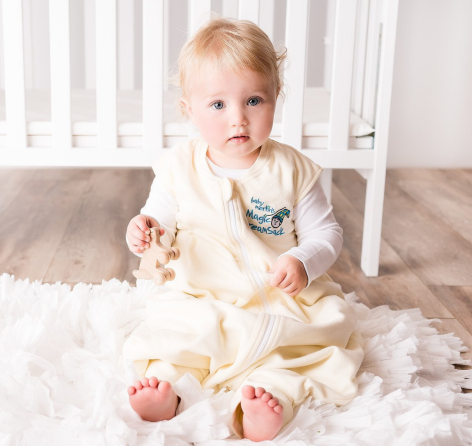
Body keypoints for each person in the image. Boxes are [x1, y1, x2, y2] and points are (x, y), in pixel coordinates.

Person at [122, 17, 364, 441]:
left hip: (278, 296)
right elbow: (157, 218)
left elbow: (327, 235)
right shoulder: (179, 168)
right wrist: (143, 231)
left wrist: (302, 261)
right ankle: (170, 391)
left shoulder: (291, 169)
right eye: (218, 105)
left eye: (254, 100)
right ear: (189, 110)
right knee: (177, 337)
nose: (238, 118)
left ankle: (270, 401)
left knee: (306, 346)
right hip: (201, 293)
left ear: (275, 98)